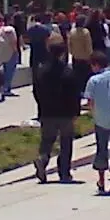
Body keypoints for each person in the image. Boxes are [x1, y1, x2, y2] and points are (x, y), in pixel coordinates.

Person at [32, 32, 85, 184]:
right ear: (62, 53)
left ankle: (42, 160)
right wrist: (76, 110)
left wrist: (41, 104)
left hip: (47, 111)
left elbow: (36, 90)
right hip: (66, 113)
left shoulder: (42, 71)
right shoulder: (68, 72)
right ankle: (64, 171)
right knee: (66, 142)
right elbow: (75, 93)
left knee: (47, 139)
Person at [83, 50, 110, 195]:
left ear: (95, 65)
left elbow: (90, 101)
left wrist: (94, 113)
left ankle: (101, 180)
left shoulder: (93, 80)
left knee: (101, 149)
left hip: (100, 120)